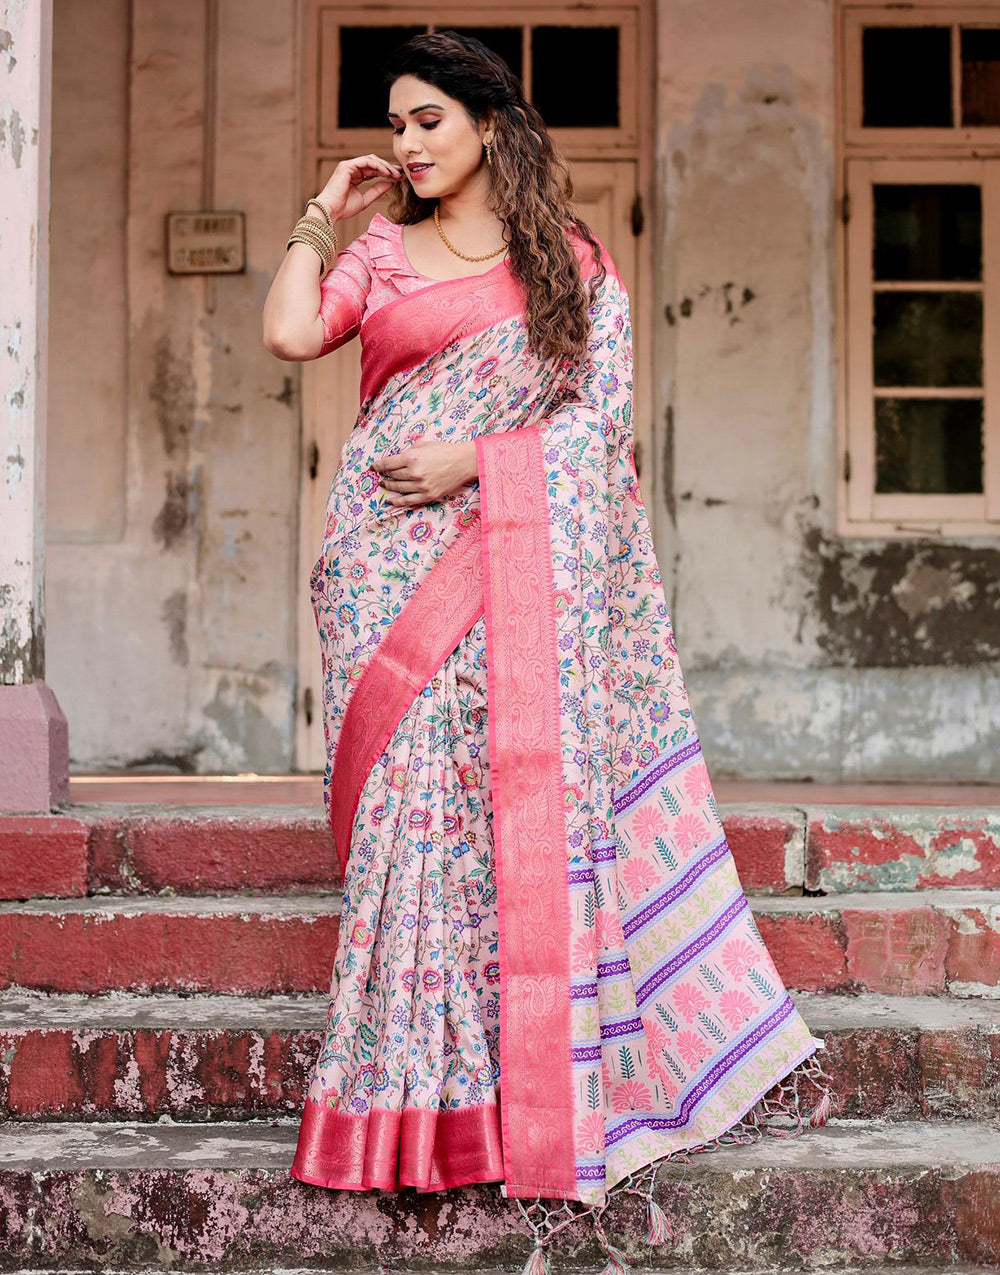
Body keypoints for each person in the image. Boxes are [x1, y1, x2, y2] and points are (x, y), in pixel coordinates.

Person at [262, 30, 832, 1275]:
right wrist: (320, 213)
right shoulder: (376, 248)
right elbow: (295, 339)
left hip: (497, 547)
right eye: (395, 124)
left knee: (480, 818)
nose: (407, 144)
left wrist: (480, 461)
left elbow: (600, 420)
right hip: (381, 558)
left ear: (485, 126)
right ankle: (393, 1104)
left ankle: (486, 1098)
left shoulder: (563, 262)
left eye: (426, 122)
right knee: (407, 810)